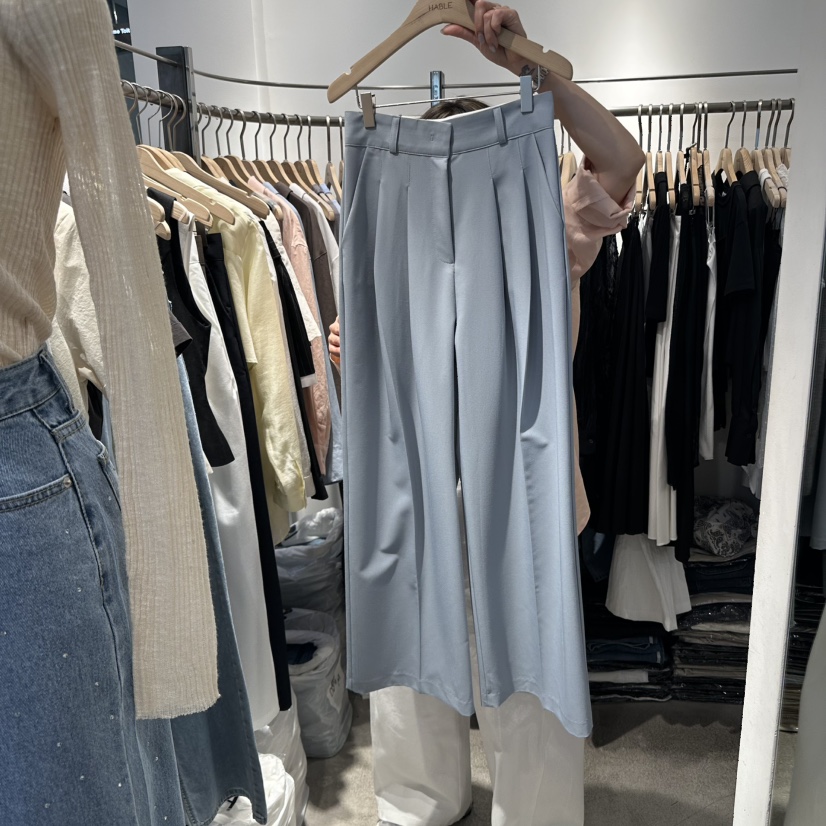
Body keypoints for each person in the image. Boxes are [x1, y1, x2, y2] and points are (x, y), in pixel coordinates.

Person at [329, 3, 643, 825]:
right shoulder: (388, 228)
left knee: (529, 672)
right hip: (421, 479)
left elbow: (621, 159)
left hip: (523, 484)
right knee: (411, 661)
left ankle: (527, 813)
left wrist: (533, 76)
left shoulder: (546, 225)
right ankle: (418, 802)